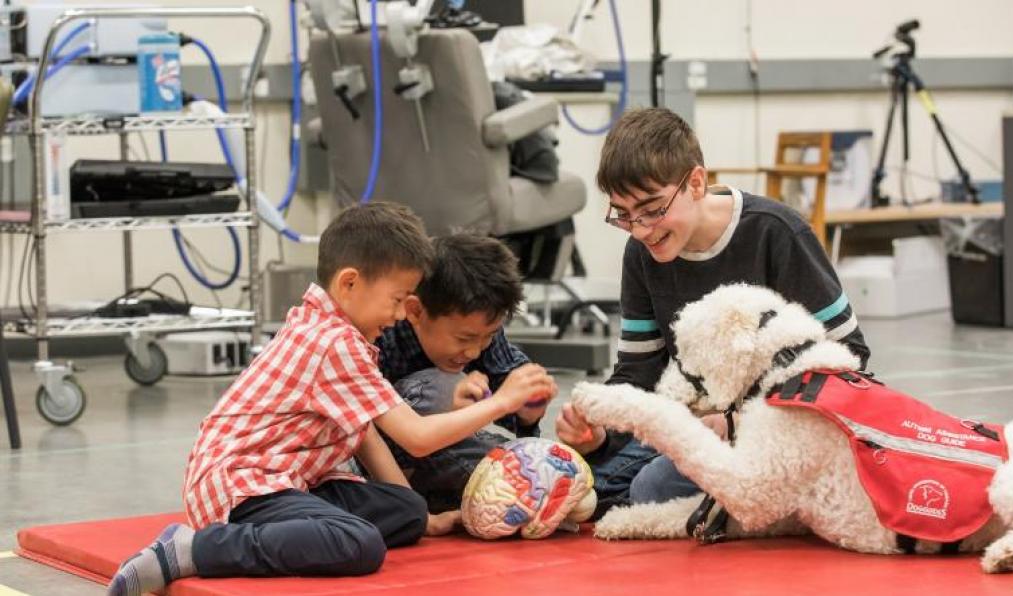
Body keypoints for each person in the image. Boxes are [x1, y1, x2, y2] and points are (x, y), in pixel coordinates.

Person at [107, 203, 556, 596]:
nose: (401, 314)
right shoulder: (333, 342)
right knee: (359, 544)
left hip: (294, 478)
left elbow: (362, 432)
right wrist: (502, 403)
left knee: (405, 511)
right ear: (349, 284)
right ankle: (192, 550)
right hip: (246, 483)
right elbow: (416, 438)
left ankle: (325, 522)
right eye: (397, 300)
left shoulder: (337, 329)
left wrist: (417, 515)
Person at [555, 108, 871, 513]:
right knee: (577, 481)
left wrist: (739, 422)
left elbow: (851, 358)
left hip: (782, 429)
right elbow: (640, 372)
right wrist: (599, 431)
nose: (640, 229)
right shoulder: (641, 252)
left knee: (645, 490)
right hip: (697, 429)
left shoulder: (776, 233)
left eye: (652, 209)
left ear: (697, 183)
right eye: (624, 215)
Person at [375, 234, 553, 513]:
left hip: (440, 454)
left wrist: (528, 410)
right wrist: (459, 408)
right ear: (415, 311)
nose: (473, 352)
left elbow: (510, 382)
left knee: (537, 466)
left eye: (488, 336)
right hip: (380, 464)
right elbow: (367, 434)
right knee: (441, 386)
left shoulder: (481, 333)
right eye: (463, 339)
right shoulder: (379, 333)